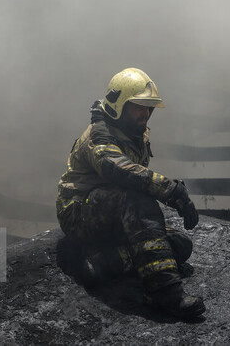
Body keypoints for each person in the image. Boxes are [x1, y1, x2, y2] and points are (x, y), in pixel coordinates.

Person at [56, 68, 205, 318]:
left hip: (110, 212)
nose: (145, 114)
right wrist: (172, 191)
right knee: (138, 201)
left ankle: (109, 261)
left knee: (180, 244)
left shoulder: (133, 133)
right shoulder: (99, 136)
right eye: (138, 107)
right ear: (118, 107)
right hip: (79, 213)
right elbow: (120, 171)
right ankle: (163, 294)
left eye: (149, 107)